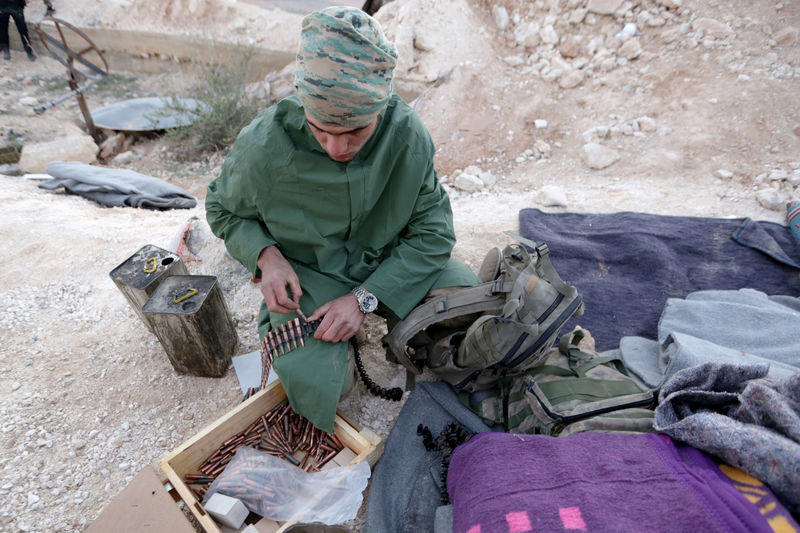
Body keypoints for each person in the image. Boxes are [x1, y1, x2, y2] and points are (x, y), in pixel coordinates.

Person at [206, 7, 479, 432]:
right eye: (320, 130)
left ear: (380, 108)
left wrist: (364, 299)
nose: (337, 148)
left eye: (355, 132)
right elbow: (222, 209)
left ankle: (392, 324)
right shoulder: (262, 147)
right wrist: (267, 258)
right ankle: (306, 330)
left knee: (470, 311)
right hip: (313, 275)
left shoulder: (407, 135)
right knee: (322, 388)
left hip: (394, 264)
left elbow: (433, 233)